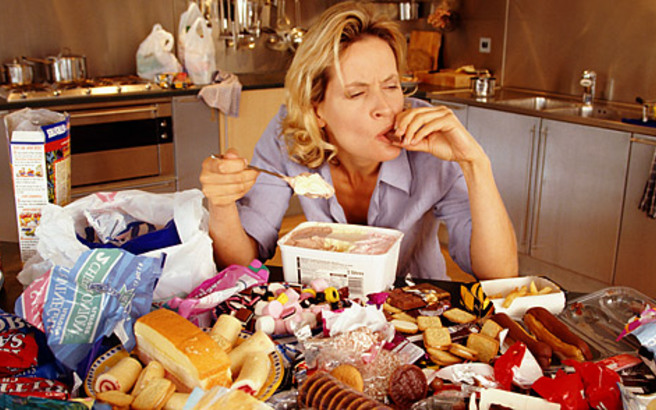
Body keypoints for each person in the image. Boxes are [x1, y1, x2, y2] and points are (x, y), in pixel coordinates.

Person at [200, 1, 518, 281]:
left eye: (391, 86)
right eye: (357, 93)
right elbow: (241, 263)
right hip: (325, 308)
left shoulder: (431, 138)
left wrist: (475, 163)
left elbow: (499, 273)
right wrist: (221, 203)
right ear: (316, 109)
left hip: (417, 309)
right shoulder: (291, 135)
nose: (386, 108)